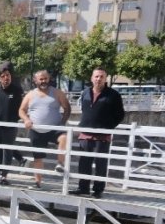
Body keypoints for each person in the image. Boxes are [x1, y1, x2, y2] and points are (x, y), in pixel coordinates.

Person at [70, 67, 125, 199]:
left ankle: (98, 189)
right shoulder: (85, 93)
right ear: (91, 78)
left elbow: (120, 115)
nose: (98, 79)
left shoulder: (113, 95)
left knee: (100, 164)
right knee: (84, 162)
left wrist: (108, 127)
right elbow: (84, 109)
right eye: (96, 76)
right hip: (85, 134)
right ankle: (83, 188)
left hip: (102, 136)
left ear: (105, 78)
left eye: (101, 76)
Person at [18, 70, 72, 189]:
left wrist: (62, 122)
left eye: (45, 78)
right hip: (36, 130)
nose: (43, 81)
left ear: (49, 79)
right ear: (35, 80)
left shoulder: (57, 93)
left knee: (64, 138)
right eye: (41, 79)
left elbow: (67, 108)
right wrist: (26, 119)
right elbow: (21, 110)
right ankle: (38, 182)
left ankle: (60, 163)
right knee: (38, 157)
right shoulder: (30, 94)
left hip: (54, 128)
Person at [0, 64, 24, 185]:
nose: (6, 78)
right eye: (3, 76)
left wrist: (15, 118)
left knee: (7, 150)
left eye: (8, 75)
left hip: (10, 126)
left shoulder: (17, 90)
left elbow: (22, 107)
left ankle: (4, 177)